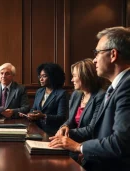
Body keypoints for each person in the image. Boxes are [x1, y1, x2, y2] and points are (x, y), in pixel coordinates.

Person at [49, 26, 130, 170]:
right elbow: (100, 131)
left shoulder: (127, 86)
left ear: (113, 55)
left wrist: (79, 147)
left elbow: (120, 143)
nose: (94, 60)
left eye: (97, 53)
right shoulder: (115, 87)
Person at [55, 58, 106, 161]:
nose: (71, 80)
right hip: (72, 144)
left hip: (88, 148)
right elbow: (70, 120)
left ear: (85, 76)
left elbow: (92, 129)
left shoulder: (101, 96)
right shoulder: (76, 94)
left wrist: (68, 133)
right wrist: (64, 127)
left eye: (74, 76)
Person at [20, 63, 68, 136]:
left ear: (53, 77)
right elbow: (33, 108)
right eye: (40, 76)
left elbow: (62, 118)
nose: (41, 79)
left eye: (44, 76)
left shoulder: (62, 94)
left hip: (52, 132)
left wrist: (43, 116)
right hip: (36, 129)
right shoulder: (39, 91)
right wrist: (30, 115)